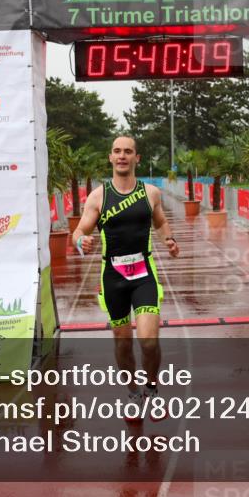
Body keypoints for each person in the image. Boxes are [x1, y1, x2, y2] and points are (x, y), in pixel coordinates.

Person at [73, 136, 180, 416]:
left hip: (144, 274)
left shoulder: (150, 193)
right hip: (113, 278)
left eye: (128, 151)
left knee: (148, 341)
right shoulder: (98, 196)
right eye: (117, 151)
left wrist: (169, 240)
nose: (122, 156)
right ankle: (133, 394)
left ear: (137, 158)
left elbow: (161, 222)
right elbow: (80, 230)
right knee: (122, 343)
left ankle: (152, 389)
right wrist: (80, 241)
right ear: (110, 157)